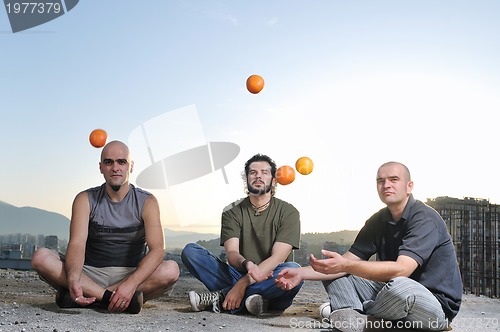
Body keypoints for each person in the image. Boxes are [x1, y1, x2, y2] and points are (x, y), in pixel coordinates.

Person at [275, 161, 462, 332]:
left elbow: (402, 269)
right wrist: (300, 274)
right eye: (380, 181)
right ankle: (355, 317)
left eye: (394, 179)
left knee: (401, 286)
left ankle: (354, 316)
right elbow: (345, 262)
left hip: (433, 306)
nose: (386, 185)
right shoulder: (377, 220)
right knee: (333, 270)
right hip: (390, 299)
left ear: (409, 186)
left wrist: (346, 266)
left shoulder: (424, 218)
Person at [31, 140, 179, 314]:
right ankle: (114, 300)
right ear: (101, 167)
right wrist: (73, 278)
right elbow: (77, 244)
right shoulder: (84, 199)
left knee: (171, 269)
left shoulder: (148, 202)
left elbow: (157, 250)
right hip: (89, 273)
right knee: (41, 257)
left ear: (130, 166)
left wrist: (130, 284)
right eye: (109, 162)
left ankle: (94, 297)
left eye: (121, 162)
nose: (115, 167)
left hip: (131, 273)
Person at [181, 153, 303, 316]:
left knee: (293, 270)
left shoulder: (289, 212)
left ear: (274, 180)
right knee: (191, 252)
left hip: (272, 278)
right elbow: (232, 253)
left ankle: (223, 296)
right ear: (246, 179)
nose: (258, 175)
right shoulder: (231, 211)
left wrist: (242, 285)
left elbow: (277, 258)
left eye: (264, 172)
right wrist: (247, 265)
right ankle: (253, 301)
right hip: (240, 272)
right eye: (253, 172)